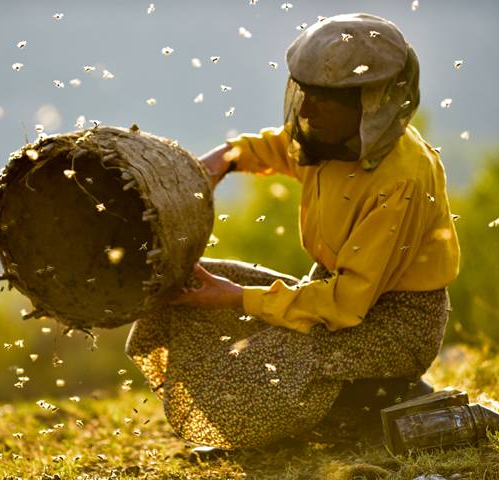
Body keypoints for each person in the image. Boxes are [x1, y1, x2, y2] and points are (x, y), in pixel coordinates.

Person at [125, 12, 460, 454]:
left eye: (324, 99)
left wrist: (235, 297)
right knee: (190, 286)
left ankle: (375, 401)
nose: (306, 109)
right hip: (331, 297)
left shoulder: (401, 180)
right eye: (306, 93)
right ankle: (346, 405)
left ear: (372, 101)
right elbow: (280, 147)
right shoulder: (331, 137)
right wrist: (225, 159)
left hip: (395, 325)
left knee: (268, 362)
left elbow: (346, 304)